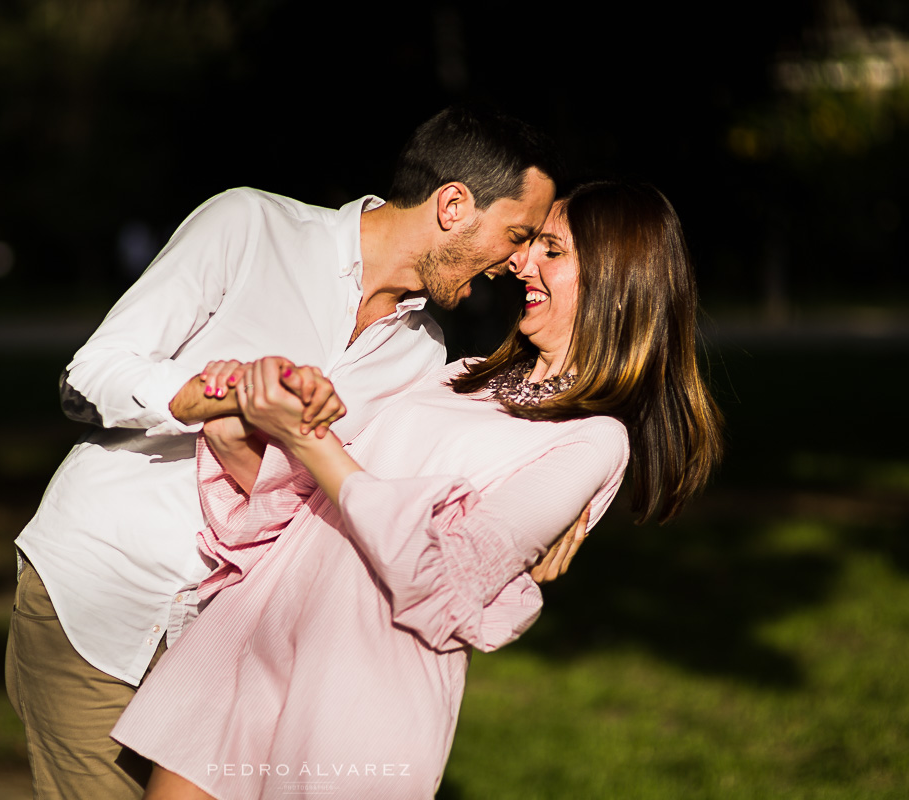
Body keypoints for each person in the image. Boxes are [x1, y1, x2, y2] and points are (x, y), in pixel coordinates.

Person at [6, 105, 565, 798]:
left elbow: (392, 495)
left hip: (225, 647)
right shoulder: (248, 226)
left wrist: (560, 510)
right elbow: (88, 379)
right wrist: (225, 391)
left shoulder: (422, 356)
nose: (517, 262)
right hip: (96, 596)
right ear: (454, 206)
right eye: (516, 234)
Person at [111, 181, 726, 800]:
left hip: (362, 688)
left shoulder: (594, 442)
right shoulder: (460, 377)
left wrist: (309, 439)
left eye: (551, 251)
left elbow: (446, 576)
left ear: (617, 279)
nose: (520, 263)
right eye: (528, 244)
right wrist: (242, 422)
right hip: (260, 634)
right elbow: (325, 501)